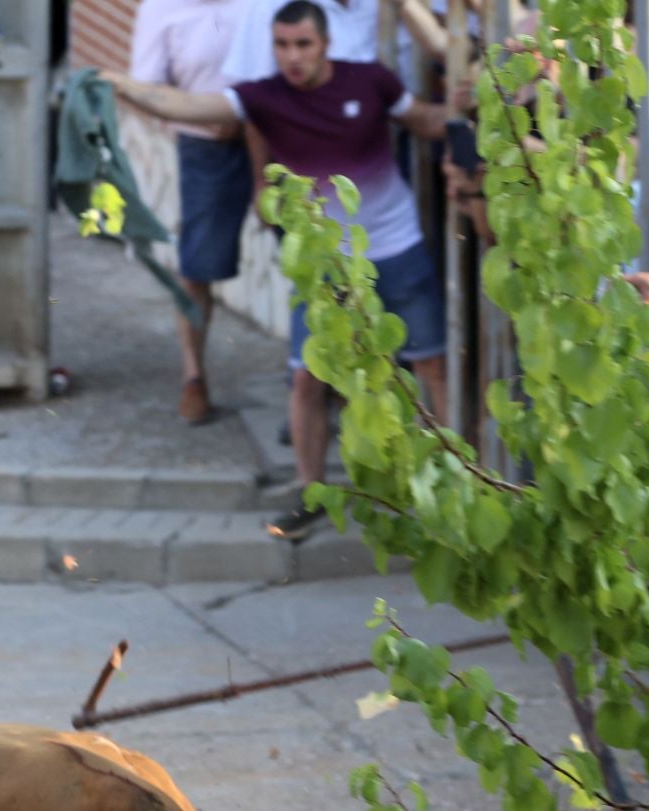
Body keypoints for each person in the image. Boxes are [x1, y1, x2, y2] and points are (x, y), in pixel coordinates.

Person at [105, 0, 452, 540]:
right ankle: (311, 493)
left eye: (303, 45)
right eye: (283, 46)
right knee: (306, 378)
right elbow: (186, 104)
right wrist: (117, 83)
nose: (292, 57)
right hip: (322, 267)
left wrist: (474, 106)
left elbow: (426, 121)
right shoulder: (262, 98)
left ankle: (454, 485)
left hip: (395, 247)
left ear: (325, 44)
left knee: (431, 366)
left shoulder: (372, 81)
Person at [129, 0, 253, 422]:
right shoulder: (161, 7)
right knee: (198, 266)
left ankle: (317, 383)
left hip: (275, 129)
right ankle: (193, 377)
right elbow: (146, 87)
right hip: (206, 143)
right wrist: (206, 115)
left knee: (311, 256)